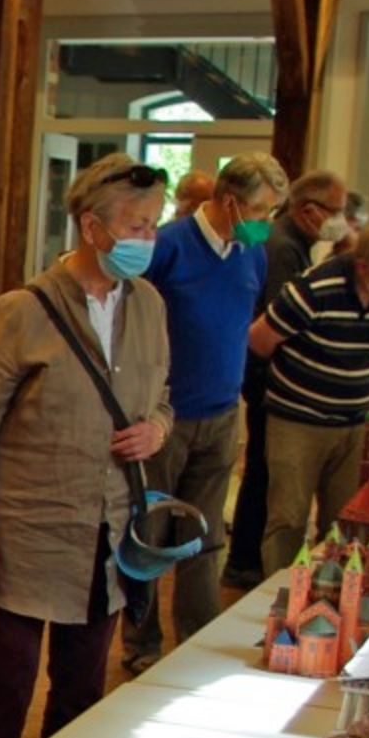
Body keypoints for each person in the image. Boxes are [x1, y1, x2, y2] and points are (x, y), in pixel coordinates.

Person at [0, 154, 172, 738]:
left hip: (108, 534)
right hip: (26, 534)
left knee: (81, 691)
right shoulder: (23, 310)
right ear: (92, 227)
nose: (147, 239)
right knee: (5, 687)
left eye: (154, 225)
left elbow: (163, 399)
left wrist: (156, 430)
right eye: (135, 225)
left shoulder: (150, 306)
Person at [121, 150, 287, 676]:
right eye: (260, 212)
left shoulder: (251, 255)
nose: (265, 224)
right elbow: (130, 326)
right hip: (164, 417)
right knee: (149, 532)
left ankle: (196, 636)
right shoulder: (167, 248)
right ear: (230, 201)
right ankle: (141, 640)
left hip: (221, 412)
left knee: (206, 536)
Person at [248, 218, 369, 574]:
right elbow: (259, 340)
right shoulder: (314, 288)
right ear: (365, 266)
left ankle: (334, 590)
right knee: (288, 518)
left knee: (346, 519)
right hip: (298, 421)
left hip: (356, 421)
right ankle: (280, 589)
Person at [222, 168, 350, 587]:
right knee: (264, 476)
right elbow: (280, 319)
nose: (341, 220)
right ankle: (246, 563)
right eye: (336, 210)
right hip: (270, 379)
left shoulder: (296, 245)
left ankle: (247, 561)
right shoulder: (282, 246)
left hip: (270, 377)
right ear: (309, 210)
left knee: (264, 473)